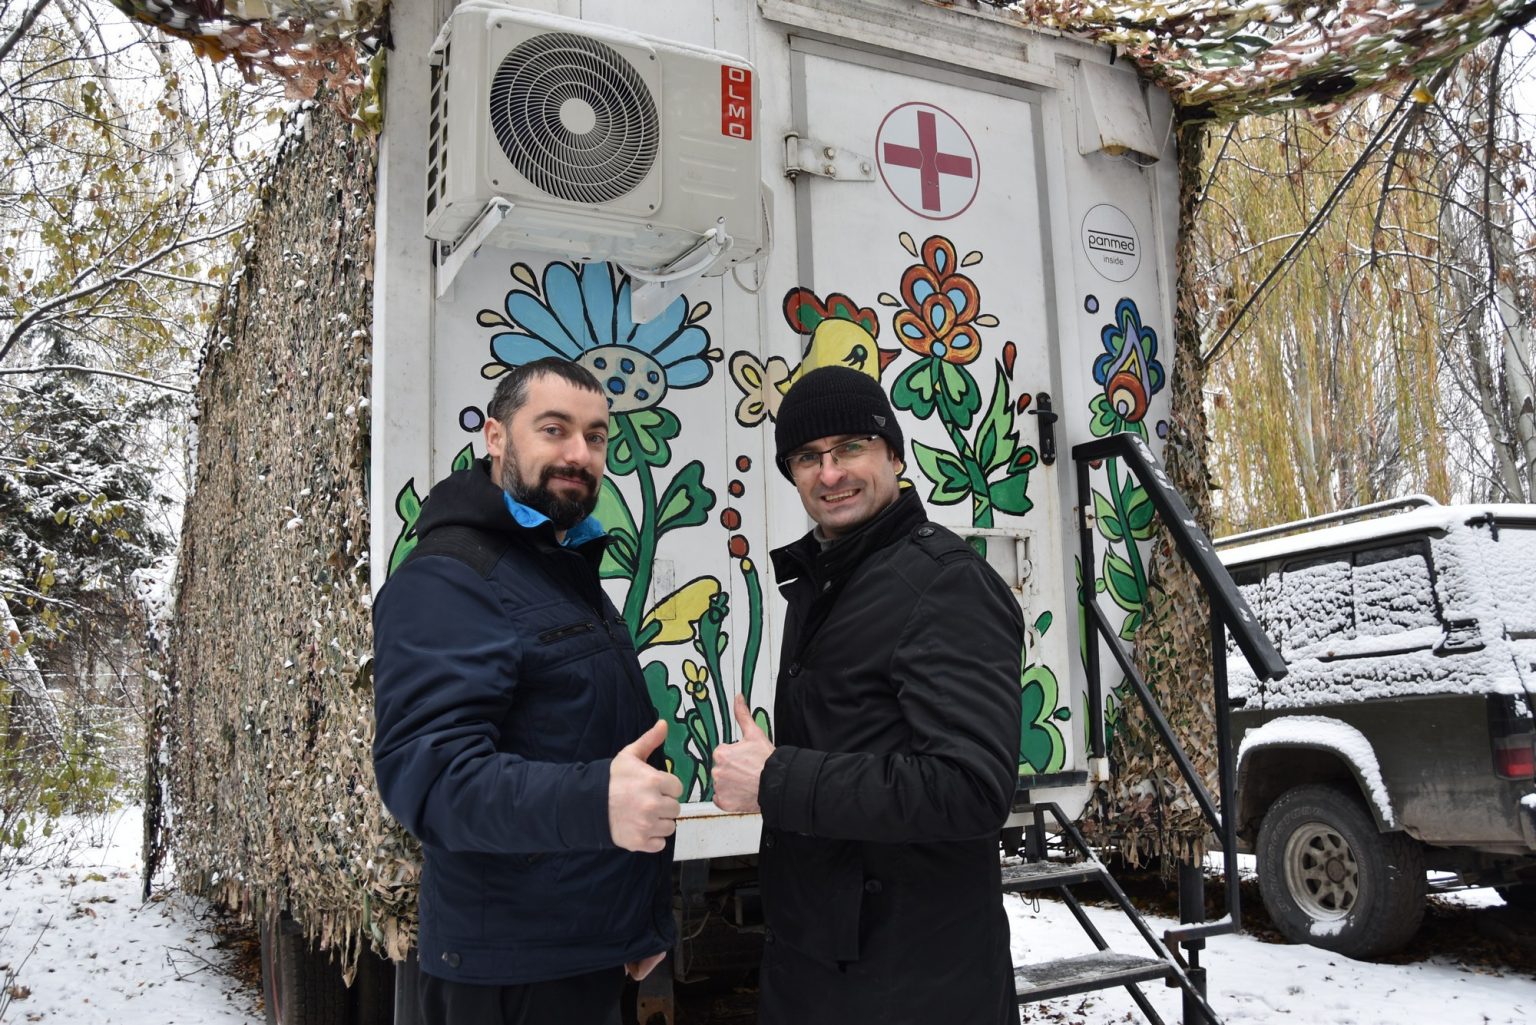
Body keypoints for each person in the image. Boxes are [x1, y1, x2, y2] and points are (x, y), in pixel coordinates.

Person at [712, 365, 1024, 1025]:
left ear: (893, 453)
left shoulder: (944, 583)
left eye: (851, 446)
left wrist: (777, 778)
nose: (830, 473)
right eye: (808, 457)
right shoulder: (827, 579)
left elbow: (970, 786)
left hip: (912, 983)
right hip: (824, 967)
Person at [372, 357, 679, 1025]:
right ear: (496, 437)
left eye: (596, 436)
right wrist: (597, 802)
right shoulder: (451, 577)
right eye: (554, 429)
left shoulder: (553, 566)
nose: (579, 453)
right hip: (507, 985)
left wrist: (638, 925)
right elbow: (433, 780)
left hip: (578, 962)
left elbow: (577, 737)